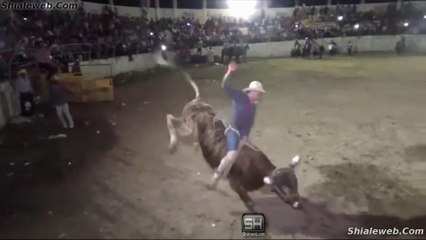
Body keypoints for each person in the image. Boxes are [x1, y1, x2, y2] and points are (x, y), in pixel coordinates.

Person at [209, 62, 265, 189]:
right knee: (232, 156)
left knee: (236, 156)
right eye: (258, 92)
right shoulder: (241, 97)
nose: (259, 95)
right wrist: (229, 71)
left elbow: (249, 122)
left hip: (242, 133)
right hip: (233, 130)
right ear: (253, 91)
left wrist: (246, 136)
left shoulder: (253, 106)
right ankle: (216, 175)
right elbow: (225, 86)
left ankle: (225, 174)